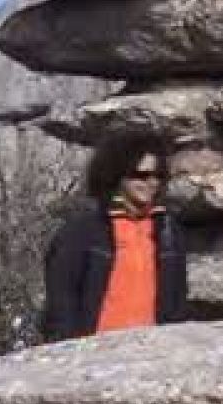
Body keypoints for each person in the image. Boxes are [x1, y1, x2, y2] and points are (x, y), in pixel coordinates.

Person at [41, 133, 188, 342]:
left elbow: (177, 301)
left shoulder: (168, 231)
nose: (151, 182)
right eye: (141, 175)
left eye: (158, 175)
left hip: (152, 354)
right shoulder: (83, 231)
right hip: (95, 354)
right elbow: (62, 301)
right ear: (116, 174)